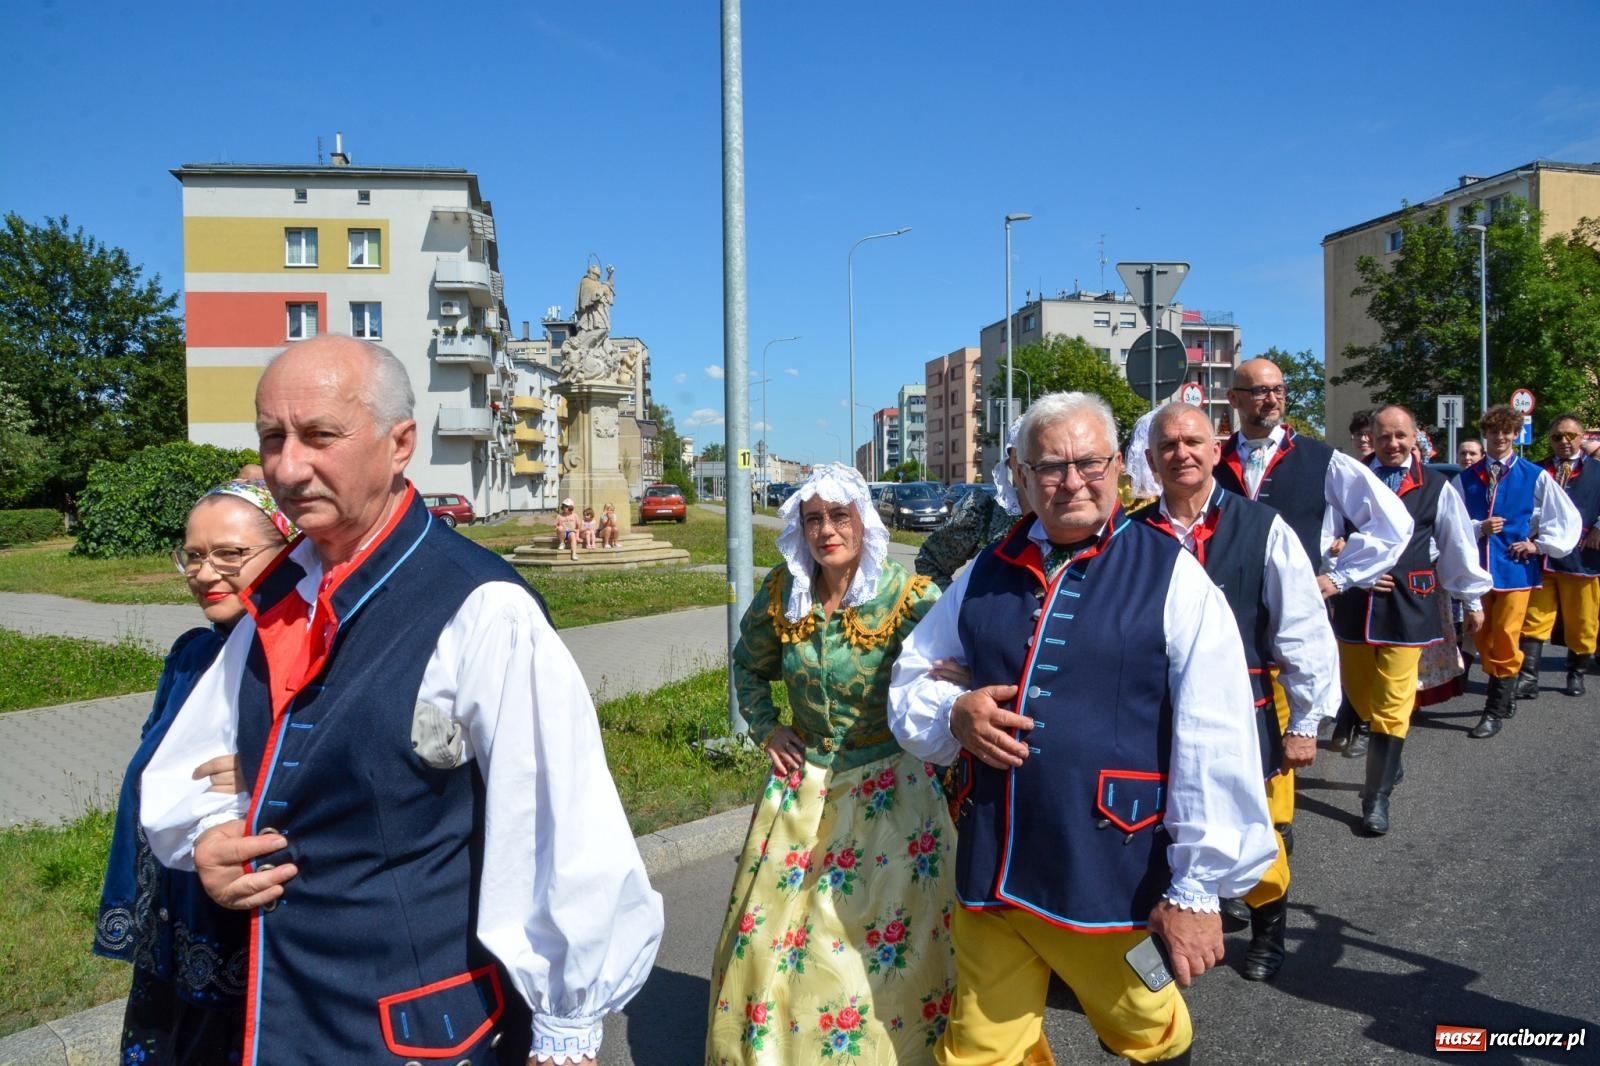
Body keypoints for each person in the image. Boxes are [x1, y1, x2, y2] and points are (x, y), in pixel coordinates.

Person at [140, 335, 662, 1065]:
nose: (288, 466)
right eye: (272, 438)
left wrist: (566, 1026)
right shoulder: (281, 594)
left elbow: (556, 822)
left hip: (416, 1032)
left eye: (320, 436)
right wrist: (210, 840)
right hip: (281, 1014)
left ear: (400, 444)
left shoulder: (482, 606)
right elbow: (193, 764)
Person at [889, 392, 1276, 1065]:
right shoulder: (984, 571)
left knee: (1149, 1029)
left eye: (1089, 463)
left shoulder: (1171, 575)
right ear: (1020, 475)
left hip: (1109, 870)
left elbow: (1215, 737)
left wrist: (1196, 889)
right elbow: (912, 675)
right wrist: (953, 711)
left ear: (1118, 466)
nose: (1071, 481)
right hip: (994, 863)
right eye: (1050, 466)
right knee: (977, 1050)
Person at [706, 464, 958, 1064]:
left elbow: (953, 663)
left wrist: (951, 701)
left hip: (892, 791)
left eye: (839, 516)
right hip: (803, 788)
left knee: (867, 943)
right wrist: (767, 729)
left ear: (863, 521)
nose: (826, 531)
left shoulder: (908, 596)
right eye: (813, 519)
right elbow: (748, 667)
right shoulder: (784, 592)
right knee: (772, 938)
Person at [1132, 402, 1338, 981]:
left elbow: (1302, 628)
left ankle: (1270, 927)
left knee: (1255, 829)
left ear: (1216, 451)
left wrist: (1305, 722)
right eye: (1168, 445)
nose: (1181, 454)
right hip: (1155, 714)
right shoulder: (1132, 534)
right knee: (1157, 831)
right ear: (1151, 460)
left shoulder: (1261, 527)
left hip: (1244, 713)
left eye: (1193, 442)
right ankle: (1165, 945)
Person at [96, 480, 295, 1065]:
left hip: (244, 919)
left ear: (286, 552)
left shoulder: (301, 658)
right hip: (172, 909)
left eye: (230, 554)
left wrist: (268, 769)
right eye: (193, 554)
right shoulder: (191, 654)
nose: (205, 573)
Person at [1329, 405, 1490, 833]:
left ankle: (1376, 797)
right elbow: (1325, 535)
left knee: (1393, 702)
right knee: (1360, 693)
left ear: (1415, 436)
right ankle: (1390, 755)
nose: (1393, 444)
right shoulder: (1348, 479)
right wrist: (1346, 567)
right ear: (1372, 437)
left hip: (1411, 603)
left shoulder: (1437, 486)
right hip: (1356, 603)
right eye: (1384, 436)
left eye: (1401, 435)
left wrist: (1472, 599)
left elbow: (1457, 544)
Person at [1455, 404, 1582, 739]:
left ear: (1515, 434)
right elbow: (1451, 524)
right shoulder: (1465, 478)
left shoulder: (1534, 475)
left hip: (1515, 572)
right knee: (1482, 638)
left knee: (1505, 636)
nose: (1500, 437)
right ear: (1485, 434)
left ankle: (1494, 710)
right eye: (1493, 431)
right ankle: (1507, 690)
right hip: (1477, 572)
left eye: (1506, 432)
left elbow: (1564, 517)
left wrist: (1538, 545)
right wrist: (1478, 528)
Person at [1517, 413, 1600, 697]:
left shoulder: (1597, 470)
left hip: (1582, 557)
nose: (1564, 441)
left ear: (1582, 438)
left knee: (1583, 620)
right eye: (1557, 436)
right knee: (1534, 617)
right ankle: (1528, 677)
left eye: (1570, 436)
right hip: (1542, 557)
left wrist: (1599, 527)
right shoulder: (1536, 471)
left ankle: (1576, 673)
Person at [915, 417, 1028, 590]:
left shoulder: (1068, 518)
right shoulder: (984, 513)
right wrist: (958, 602)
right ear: (1010, 463)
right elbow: (930, 562)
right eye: (1022, 456)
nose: (1028, 466)